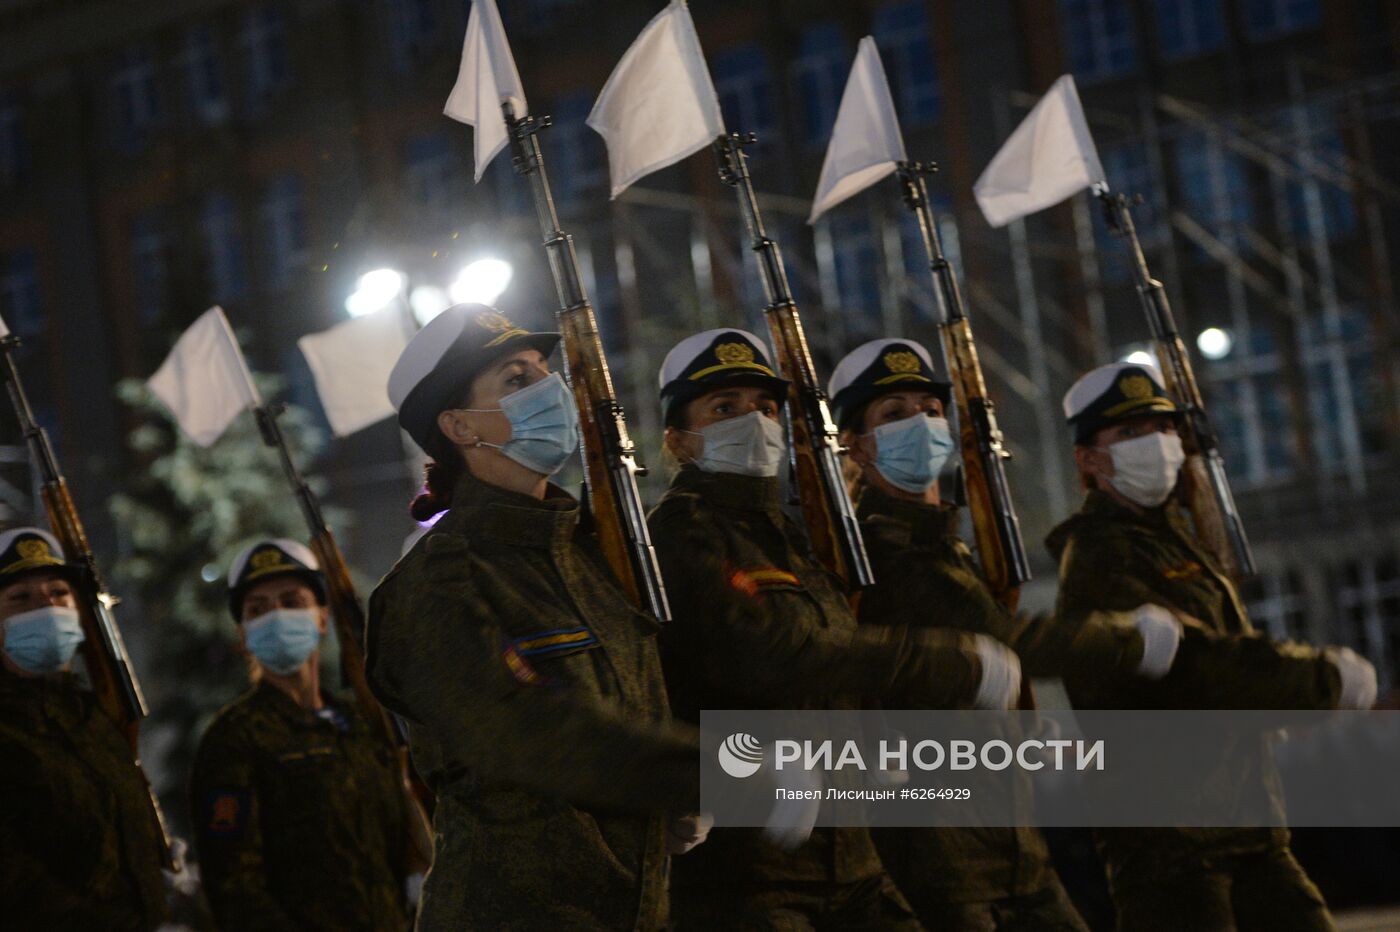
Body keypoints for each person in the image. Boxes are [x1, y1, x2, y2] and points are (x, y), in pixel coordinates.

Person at [366, 303, 729, 931]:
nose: (549, 388)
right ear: (459, 425)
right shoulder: (438, 583)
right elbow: (527, 730)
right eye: (515, 379)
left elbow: (623, 709)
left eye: (542, 369)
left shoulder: (582, 554)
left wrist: (658, 804)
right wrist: (699, 771)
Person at [649, 328, 1026, 930]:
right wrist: (943, 661)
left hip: (848, 857)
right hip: (751, 872)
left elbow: (829, 672)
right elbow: (779, 655)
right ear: (680, 440)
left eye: (766, 408)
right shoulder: (682, 533)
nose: (754, 422)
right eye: (725, 408)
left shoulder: (787, 537)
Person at [830, 338, 1194, 931]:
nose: (920, 425)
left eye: (929, 408)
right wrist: (1126, 640)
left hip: (1006, 836)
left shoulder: (940, 543)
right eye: (894, 414)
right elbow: (1002, 639)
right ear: (856, 444)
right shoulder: (882, 553)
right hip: (941, 849)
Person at [1047, 361, 1378, 932]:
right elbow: (1196, 666)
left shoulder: (1173, 540)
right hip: (1170, 848)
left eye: (1164, 428)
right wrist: (1320, 679)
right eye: (1129, 433)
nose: (1157, 444)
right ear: (1088, 461)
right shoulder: (1101, 556)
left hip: (1244, 822)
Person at [190, 537, 416, 931]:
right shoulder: (234, 740)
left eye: (292, 602)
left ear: (322, 619)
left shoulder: (360, 725)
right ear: (243, 636)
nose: (277, 617)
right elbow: (236, 887)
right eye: (258, 609)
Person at [0, 526, 171, 929]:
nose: (45, 606)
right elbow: (15, 884)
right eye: (20, 598)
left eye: (58, 592)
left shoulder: (95, 715)